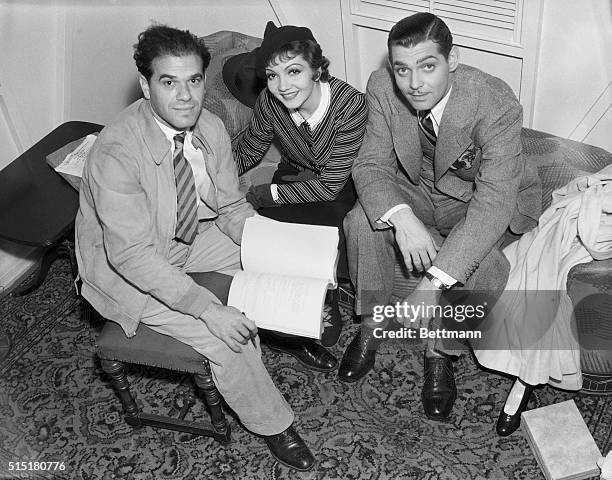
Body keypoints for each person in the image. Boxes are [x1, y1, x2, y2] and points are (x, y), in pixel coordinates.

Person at [75, 24, 314, 471]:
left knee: (273, 256)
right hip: (129, 272)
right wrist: (208, 309)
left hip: (185, 237)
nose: (185, 96)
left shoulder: (209, 125)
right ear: (146, 86)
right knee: (228, 336)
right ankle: (274, 423)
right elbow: (131, 256)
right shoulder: (115, 153)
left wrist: (263, 242)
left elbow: (228, 204)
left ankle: (289, 322)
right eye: (169, 82)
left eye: (193, 80)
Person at [338, 12, 542, 423]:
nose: (414, 83)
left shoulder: (495, 100)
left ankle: (440, 352)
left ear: (453, 60)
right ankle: (371, 328)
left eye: (427, 66)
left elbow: (494, 201)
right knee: (361, 219)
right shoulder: (380, 87)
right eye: (403, 69)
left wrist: (434, 281)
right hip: (417, 189)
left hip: (475, 200)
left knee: (490, 267)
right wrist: (401, 217)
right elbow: (371, 165)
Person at [224, 22, 367, 359]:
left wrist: (265, 195)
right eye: (273, 76)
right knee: (268, 233)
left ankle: (324, 297)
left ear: (317, 69)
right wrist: (215, 175)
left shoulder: (351, 105)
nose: (283, 86)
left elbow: (330, 185)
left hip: (341, 182)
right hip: (293, 176)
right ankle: (283, 320)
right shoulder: (268, 103)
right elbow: (249, 149)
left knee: (324, 224)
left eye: (294, 71)